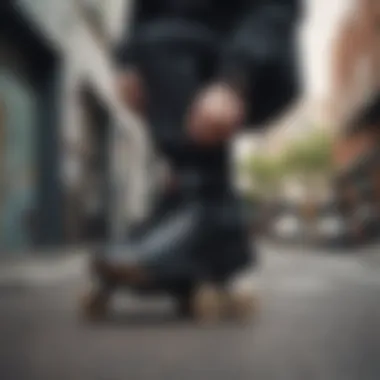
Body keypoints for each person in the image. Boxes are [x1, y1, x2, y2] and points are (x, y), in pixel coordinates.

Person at [81, 0, 302, 322]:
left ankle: (203, 217)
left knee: (165, 41)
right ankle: (200, 223)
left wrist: (234, 77)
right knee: (157, 42)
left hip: (261, 62)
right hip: (184, 49)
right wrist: (128, 63)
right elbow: (143, 13)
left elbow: (276, 10)